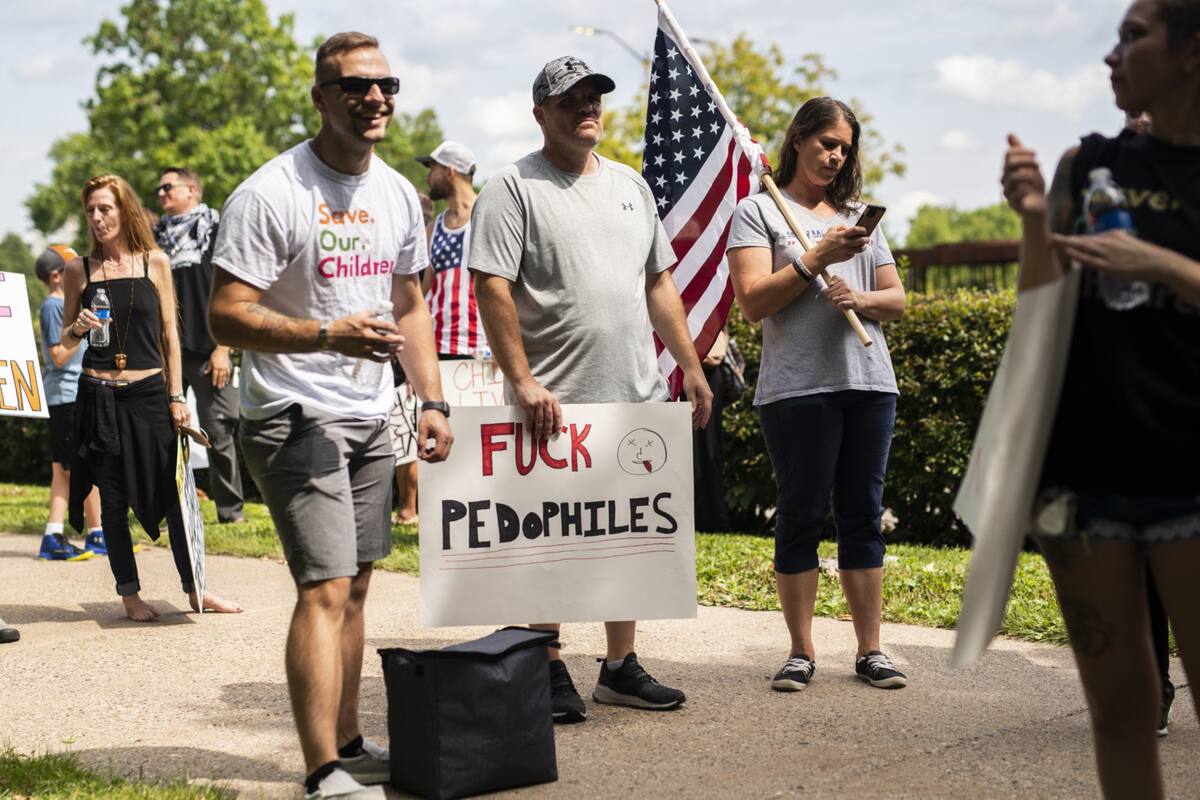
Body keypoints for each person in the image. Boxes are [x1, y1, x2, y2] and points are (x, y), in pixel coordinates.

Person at [208, 32, 453, 800]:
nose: (375, 98)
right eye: (355, 85)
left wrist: (430, 398)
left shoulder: (397, 194)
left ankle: (348, 742)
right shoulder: (271, 193)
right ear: (321, 97)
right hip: (293, 412)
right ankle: (323, 773)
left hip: (372, 412)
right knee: (324, 585)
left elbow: (409, 304)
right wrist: (324, 334)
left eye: (387, 85)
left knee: (357, 587)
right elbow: (225, 314)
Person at [470, 55, 712, 724]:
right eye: (568, 99)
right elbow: (491, 286)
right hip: (553, 402)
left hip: (634, 395)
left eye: (593, 96)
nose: (586, 107)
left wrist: (690, 365)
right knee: (549, 539)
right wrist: (522, 380)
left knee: (625, 537)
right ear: (540, 113)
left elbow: (658, 282)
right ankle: (546, 664)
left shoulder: (631, 185)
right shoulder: (512, 188)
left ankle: (619, 666)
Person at [1000, 0, 1199, 796]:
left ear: (1192, 50)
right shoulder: (1089, 163)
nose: (1111, 56)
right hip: (1085, 483)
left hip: (1191, 475)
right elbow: (1042, 303)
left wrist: (1161, 265)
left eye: (1133, 36)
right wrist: (1034, 222)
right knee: (1121, 716)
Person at [726, 97, 908, 693]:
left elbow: (896, 300)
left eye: (845, 149)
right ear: (799, 138)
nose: (836, 157)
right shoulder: (758, 210)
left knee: (863, 517)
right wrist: (815, 259)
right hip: (797, 388)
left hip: (869, 383)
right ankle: (801, 652)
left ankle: (871, 650)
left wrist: (861, 299)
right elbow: (753, 303)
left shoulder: (858, 217)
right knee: (800, 516)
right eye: (827, 143)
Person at [58, 174, 242, 623]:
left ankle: (196, 589)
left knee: (175, 495)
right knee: (112, 499)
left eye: (105, 209)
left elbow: (170, 335)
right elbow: (62, 345)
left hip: (149, 394)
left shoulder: (155, 262)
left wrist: (176, 396)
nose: (97, 218)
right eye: (91, 211)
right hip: (99, 396)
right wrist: (77, 328)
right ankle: (129, 594)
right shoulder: (80, 269)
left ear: (125, 211)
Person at [154, 166, 245, 524]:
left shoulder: (216, 230)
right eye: (159, 190)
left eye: (168, 187)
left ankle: (230, 514)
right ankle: (170, 511)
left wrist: (223, 348)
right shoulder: (156, 239)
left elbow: (231, 292)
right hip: (167, 352)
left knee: (218, 432)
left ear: (192, 189)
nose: (161, 194)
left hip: (209, 350)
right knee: (164, 433)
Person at [34, 244, 104, 561]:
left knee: (64, 471)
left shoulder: (65, 305)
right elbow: (58, 357)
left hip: (68, 395)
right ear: (56, 276)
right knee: (82, 466)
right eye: (72, 269)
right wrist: (80, 330)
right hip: (66, 396)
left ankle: (62, 535)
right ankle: (96, 533)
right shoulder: (53, 307)